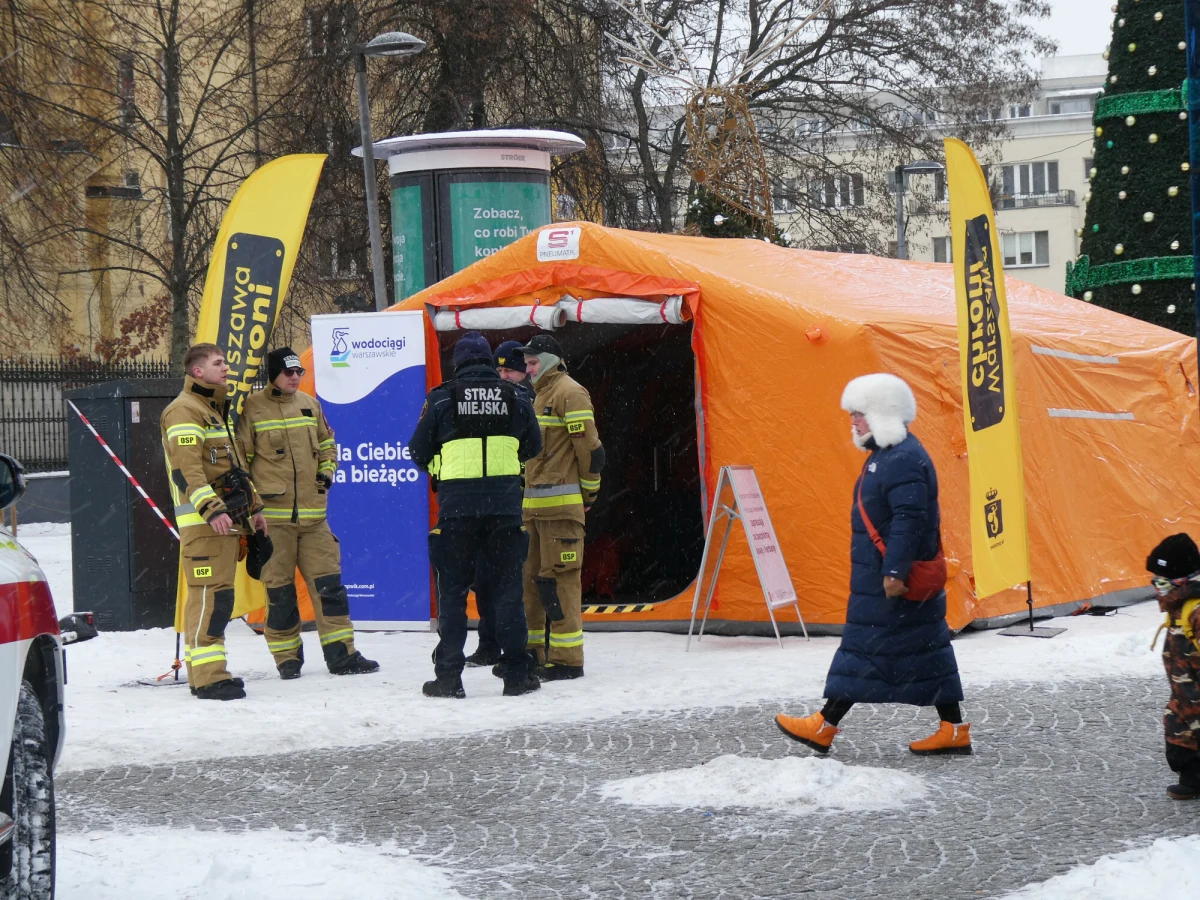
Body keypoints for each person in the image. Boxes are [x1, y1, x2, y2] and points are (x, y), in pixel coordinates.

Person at [775, 373, 969, 754]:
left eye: (859, 413)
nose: (853, 421)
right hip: (883, 576)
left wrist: (894, 571)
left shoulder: (901, 459)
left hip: (889, 579)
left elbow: (908, 519)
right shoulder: (889, 456)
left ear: (881, 414)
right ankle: (954, 729)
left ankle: (824, 724)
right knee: (926, 652)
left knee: (863, 648)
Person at [409, 331, 543, 698]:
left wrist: (442, 465)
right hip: (503, 508)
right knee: (508, 592)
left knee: (452, 594)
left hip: (457, 512)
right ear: (488, 361)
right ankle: (516, 675)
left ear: (459, 364)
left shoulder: (441, 399)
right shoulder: (516, 395)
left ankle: (449, 678)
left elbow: (417, 451)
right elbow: (534, 445)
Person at [236, 347, 379, 679]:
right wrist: (252, 506)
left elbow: (328, 443)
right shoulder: (252, 409)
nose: (295, 377)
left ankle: (343, 655)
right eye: (288, 372)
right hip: (273, 523)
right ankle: (287, 659)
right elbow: (241, 462)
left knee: (330, 588)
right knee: (280, 593)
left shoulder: (309, 404)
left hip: (315, 518)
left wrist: (327, 472)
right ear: (273, 373)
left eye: (298, 371)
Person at [161, 343, 268, 701]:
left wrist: (254, 510)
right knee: (212, 599)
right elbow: (187, 469)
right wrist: (212, 509)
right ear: (197, 371)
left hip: (225, 523)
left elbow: (233, 470)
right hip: (206, 526)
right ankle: (208, 679)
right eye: (218, 363)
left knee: (213, 598)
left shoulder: (213, 410)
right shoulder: (183, 411)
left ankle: (207, 674)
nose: (226, 368)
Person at [516, 334, 605, 681]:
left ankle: (567, 659)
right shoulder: (539, 397)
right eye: (527, 364)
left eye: (533, 362)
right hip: (535, 513)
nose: (528, 369)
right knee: (532, 582)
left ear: (551, 360)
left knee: (561, 583)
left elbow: (591, 452)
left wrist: (589, 496)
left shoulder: (570, 392)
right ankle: (535, 653)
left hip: (562, 511)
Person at [465, 340, 534, 668]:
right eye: (500, 369)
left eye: (510, 370)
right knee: (484, 579)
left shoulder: (531, 402)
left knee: (516, 581)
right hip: (493, 504)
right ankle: (489, 643)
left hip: (521, 505)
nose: (503, 375)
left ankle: (523, 647)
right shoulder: (491, 401)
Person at [1145, 533, 1200, 800]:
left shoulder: (1196, 611)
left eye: (1162, 579)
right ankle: (1193, 780)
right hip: (1186, 697)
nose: (1157, 585)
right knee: (1180, 731)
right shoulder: (1178, 609)